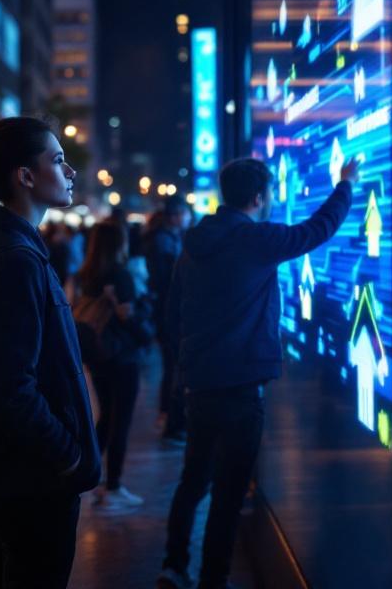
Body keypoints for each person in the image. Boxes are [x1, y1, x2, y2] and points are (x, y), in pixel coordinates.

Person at [158, 156, 360, 589]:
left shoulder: (193, 244)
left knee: (193, 480)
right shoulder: (253, 239)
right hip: (242, 387)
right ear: (257, 197)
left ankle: (173, 566)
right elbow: (316, 230)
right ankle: (213, 580)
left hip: (200, 384)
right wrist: (345, 185)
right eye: (269, 194)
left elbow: (172, 313)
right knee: (229, 494)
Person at [0, 117, 100, 589]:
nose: (70, 172)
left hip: (1, 472)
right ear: (25, 177)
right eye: (58, 160)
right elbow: (9, 388)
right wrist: (67, 455)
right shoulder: (16, 259)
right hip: (32, 479)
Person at [76, 220, 153, 513]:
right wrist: (146, 334)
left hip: (97, 355)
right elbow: (130, 320)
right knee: (120, 421)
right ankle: (114, 486)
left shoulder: (87, 275)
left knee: (106, 416)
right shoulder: (120, 276)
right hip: (123, 356)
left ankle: (88, 476)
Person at [143, 198, 193, 445]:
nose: (188, 218)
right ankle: (172, 423)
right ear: (175, 215)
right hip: (167, 313)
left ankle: (170, 418)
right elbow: (167, 281)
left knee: (172, 367)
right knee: (173, 367)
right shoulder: (163, 241)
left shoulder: (165, 238)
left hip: (165, 312)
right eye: (185, 213)